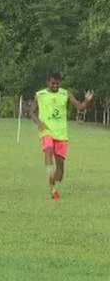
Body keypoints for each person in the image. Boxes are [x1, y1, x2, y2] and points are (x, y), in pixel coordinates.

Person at [29, 72, 93, 200]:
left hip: (61, 133)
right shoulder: (40, 95)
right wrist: (39, 123)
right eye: (53, 83)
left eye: (57, 83)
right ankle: (51, 178)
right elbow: (31, 111)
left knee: (61, 170)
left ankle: (54, 182)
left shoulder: (65, 94)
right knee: (48, 149)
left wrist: (88, 100)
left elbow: (80, 107)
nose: (55, 85)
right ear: (47, 82)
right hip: (46, 130)